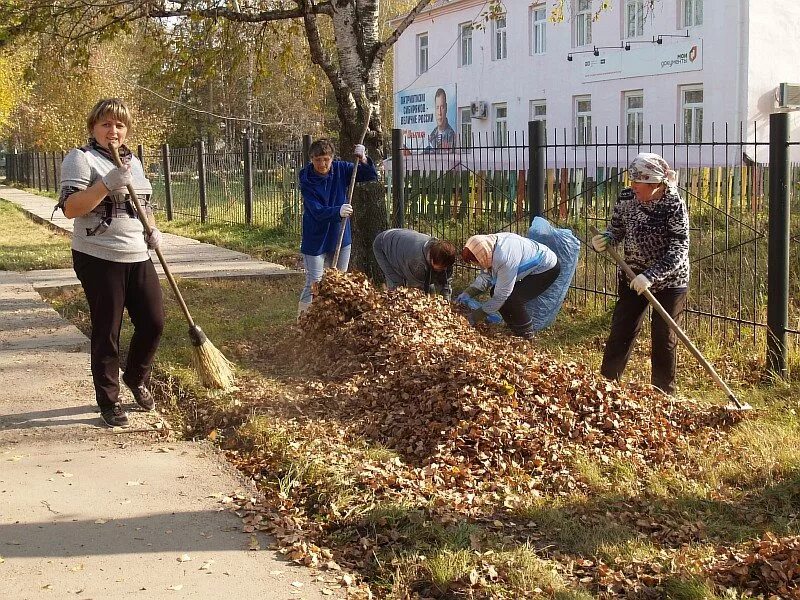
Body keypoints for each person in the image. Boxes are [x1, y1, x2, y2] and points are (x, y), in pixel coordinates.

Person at [57, 98, 164, 428]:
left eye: (119, 125)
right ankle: (109, 399)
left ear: (126, 129)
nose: (113, 130)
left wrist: (153, 228)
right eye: (105, 124)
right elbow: (71, 208)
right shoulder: (80, 158)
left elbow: (142, 205)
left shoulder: (135, 163)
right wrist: (105, 184)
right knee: (108, 330)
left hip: (137, 252)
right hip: (98, 255)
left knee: (154, 321)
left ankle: (136, 377)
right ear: (93, 128)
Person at [591, 152, 689, 395]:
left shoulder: (673, 204)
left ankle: (663, 393)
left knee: (664, 336)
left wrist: (652, 275)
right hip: (632, 276)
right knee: (621, 329)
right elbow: (617, 229)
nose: (633, 186)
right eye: (632, 180)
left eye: (639, 182)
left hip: (669, 281)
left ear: (656, 185)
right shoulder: (627, 197)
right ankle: (607, 384)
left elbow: (680, 246)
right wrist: (605, 239)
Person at [297, 138, 378, 316]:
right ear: (311, 159)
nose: (322, 164)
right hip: (315, 239)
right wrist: (337, 211)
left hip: (340, 236)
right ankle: (303, 320)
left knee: (340, 281)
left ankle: (333, 319)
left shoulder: (341, 169)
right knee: (314, 282)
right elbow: (316, 211)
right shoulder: (306, 178)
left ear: (332, 158)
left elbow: (370, 175)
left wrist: (363, 158)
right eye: (317, 160)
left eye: (326, 159)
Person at [458, 232, 561, 339]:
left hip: (546, 268)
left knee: (514, 298)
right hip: (530, 266)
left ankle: (527, 335)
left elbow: (502, 296)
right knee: (494, 291)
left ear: (482, 254)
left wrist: (477, 315)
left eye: (476, 261)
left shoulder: (504, 257)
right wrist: (468, 293)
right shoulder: (487, 248)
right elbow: (486, 276)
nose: (477, 265)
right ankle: (514, 328)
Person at [372, 228, 457, 298]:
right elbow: (416, 290)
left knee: (428, 286)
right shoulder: (416, 263)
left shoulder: (444, 256)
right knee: (398, 288)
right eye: (441, 267)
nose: (444, 269)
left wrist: (446, 303)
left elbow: (445, 283)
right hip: (383, 244)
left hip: (403, 240)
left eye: (446, 267)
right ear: (432, 260)